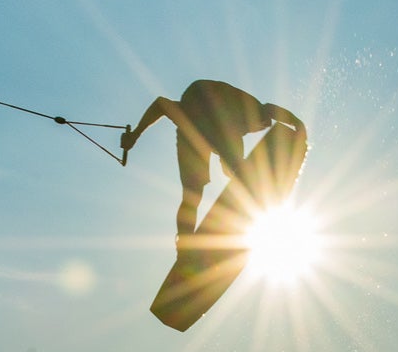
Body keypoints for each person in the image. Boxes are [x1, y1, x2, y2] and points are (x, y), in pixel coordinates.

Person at [120, 80, 306, 235]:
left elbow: (161, 104)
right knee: (223, 173)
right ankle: (187, 239)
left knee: (193, 194)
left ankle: (185, 242)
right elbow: (269, 109)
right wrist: (298, 125)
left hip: (198, 112)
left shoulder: (205, 125)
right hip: (204, 100)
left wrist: (135, 135)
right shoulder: (246, 117)